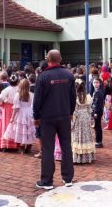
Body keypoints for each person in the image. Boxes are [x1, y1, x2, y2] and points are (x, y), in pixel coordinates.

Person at [33, 50, 76, 190]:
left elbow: (37, 99)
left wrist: (36, 116)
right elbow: (72, 97)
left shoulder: (43, 76)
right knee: (66, 146)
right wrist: (70, 112)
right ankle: (68, 178)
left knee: (48, 148)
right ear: (60, 59)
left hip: (48, 117)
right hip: (64, 116)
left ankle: (47, 181)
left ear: (47, 59)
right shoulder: (69, 75)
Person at [4, 79, 35, 154]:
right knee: (28, 130)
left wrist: (12, 117)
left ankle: (21, 148)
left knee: (18, 130)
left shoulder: (18, 95)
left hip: (20, 113)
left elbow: (16, 108)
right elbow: (33, 106)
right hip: (29, 113)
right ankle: (28, 147)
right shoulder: (32, 94)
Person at [72, 78, 95, 163]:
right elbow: (89, 110)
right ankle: (87, 156)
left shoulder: (75, 97)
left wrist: (72, 123)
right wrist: (89, 118)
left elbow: (75, 111)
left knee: (78, 135)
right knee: (86, 135)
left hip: (79, 118)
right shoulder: (88, 96)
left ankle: (78, 157)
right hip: (85, 117)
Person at [0, 74, 19, 151]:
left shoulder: (6, 90)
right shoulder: (19, 89)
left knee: (6, 126)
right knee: (15, 126)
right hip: (17, 109)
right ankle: (15, 145)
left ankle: (5, 145)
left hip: (7, 109)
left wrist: (2, 105)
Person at [91, 77, 104, 148]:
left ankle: (98, 141)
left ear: (100, 83)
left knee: (97, 126)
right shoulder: (97, 91)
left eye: (97, 82)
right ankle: (98, 141)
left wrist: (95, 112)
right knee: (97, 126)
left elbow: (97, 103)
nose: (95, 84)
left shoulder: (98, 92)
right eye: (94, 82)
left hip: (97, 111)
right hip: (97, 111)